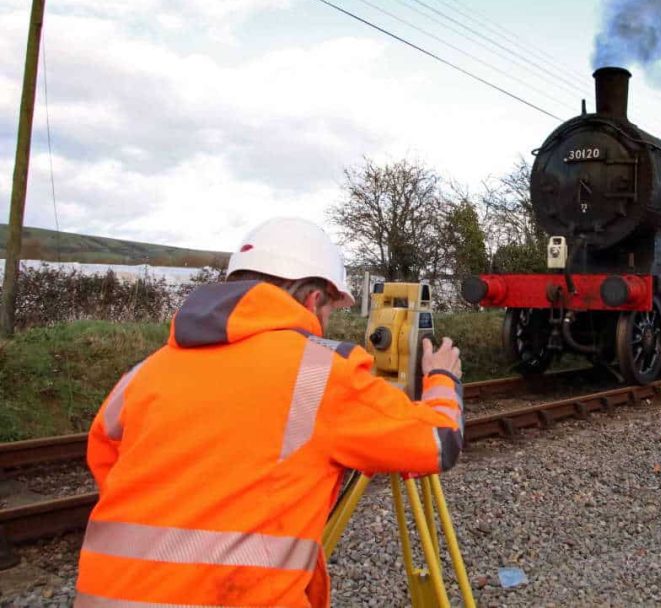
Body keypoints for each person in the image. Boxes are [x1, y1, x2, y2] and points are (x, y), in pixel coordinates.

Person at [74, 217, 465, 607]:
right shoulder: (321, 372)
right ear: (314, 299)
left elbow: (109, 463)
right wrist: (442, 378)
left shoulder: (144, 372)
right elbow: (437, 441)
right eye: (329, 310)